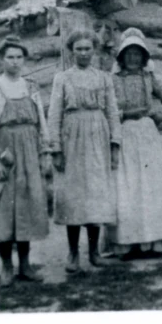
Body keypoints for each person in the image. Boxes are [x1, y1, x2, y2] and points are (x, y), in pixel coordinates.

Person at [0, 37, 51, 287]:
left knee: (26, 208)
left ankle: (26, 265)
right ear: (1, 59)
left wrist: (44, 152)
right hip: (6, 153)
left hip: (29, 151)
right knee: (5, 210)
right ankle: (7, 266)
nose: (15, 62)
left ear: (24, 60)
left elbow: (40, 121)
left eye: (19, 57)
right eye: (10, 57)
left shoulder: (30, 88)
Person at [47, 30, 122, 273]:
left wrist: (114, 145)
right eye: (78, 49)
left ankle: (94, 252)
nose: (83, 53)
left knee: (96, 196)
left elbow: (112, 112)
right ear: (71, 51)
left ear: (94, 50)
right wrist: (56, 149)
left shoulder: (103, 78)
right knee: (74, 196)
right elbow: (54, 114)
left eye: (87, 48)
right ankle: (72, 253)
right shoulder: (62, 78)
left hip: (98, 137)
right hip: (72, 138)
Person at [108, 28, 162, 260]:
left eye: (137, 53)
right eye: (128, 53)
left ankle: (154, 240)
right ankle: (127, 243)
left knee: (151, 186)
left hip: (147, 133)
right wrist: (116, 117)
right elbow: (106, 108)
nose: (133, 58)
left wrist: (161, 116)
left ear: (144, 56)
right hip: (125, 133)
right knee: (127, 186)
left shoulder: (150, 78)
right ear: (121, 56)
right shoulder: (112, 80)